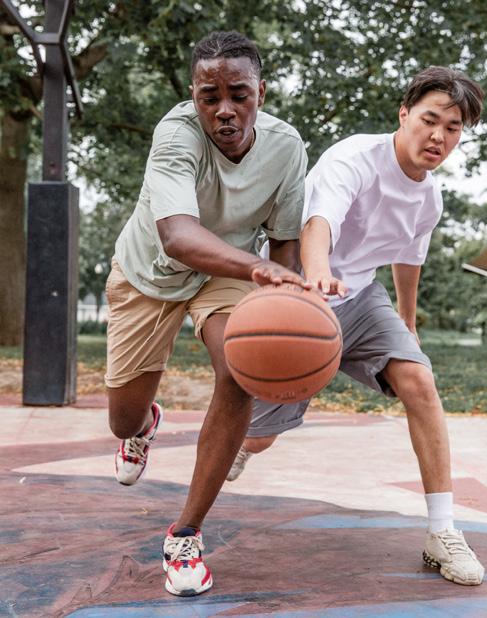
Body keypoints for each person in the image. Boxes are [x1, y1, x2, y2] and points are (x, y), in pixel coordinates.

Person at [228, 66, 486, 586]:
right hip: (302, 293)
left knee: (420, 381)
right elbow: (318, 223)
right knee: (259, 437)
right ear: (404, 114)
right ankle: (240, 446)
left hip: (363, 297)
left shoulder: (430, 199)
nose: (438, 136)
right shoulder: (355, 158)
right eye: (430, 120)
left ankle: (442, 531)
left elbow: (409, 258)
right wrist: (317, 279)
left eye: (453, 128)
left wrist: (407, 320)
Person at [105, 31, 308, 596]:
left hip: (227, 272)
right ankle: (142, 428)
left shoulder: (286, 147)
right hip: (151, 273)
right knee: (121, 418)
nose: (224, 109)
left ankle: (185, 534)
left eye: (238, 94)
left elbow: (285, 239)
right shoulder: (175, 135)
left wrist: (284, 304)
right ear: (193, 96)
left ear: (261, 93)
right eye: (208, 96)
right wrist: (261, 269)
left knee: (239, 371)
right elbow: (177, 236)